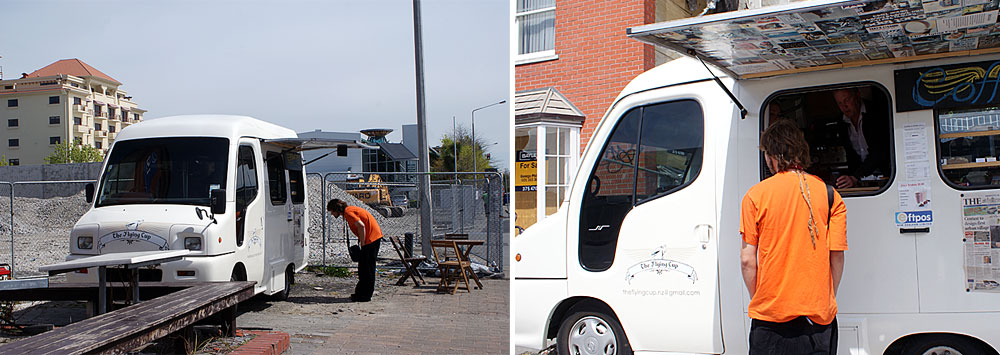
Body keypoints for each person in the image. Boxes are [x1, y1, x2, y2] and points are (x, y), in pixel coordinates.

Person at [740, 120, 848, 354]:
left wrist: (760, 298)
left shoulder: (755, 196)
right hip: (817, 320)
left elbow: (748, 260)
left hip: (770, 321)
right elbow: (836, 256)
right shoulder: (830, 195)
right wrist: (826, 297)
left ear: (772, 155)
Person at [831, 87, 891, 188]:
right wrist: (851, 178)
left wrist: (855, 177)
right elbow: (851, 154)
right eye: (840, 103)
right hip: (861, 180)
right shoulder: (841, 122)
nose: (844, 106)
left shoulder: (876, 113)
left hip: (886, 178)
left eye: (847, 100)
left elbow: (879, 151)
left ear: (857, 95)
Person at [328, 198, 383, 302]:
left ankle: (365, 295)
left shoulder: (348, 212)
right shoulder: (350, 210)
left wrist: (362, 244)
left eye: (332, 211)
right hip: (372, 238)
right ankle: (361, 293)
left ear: (336, 209)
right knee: (364, 269)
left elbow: (361, 226)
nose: (332, 214)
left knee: (367, 269)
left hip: (371, 240)